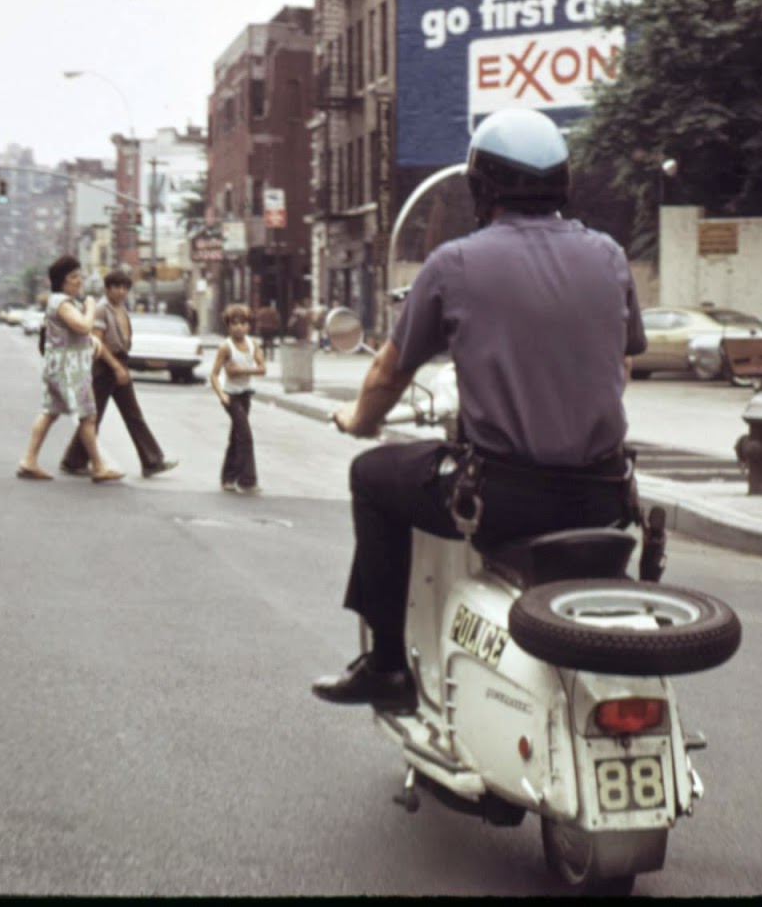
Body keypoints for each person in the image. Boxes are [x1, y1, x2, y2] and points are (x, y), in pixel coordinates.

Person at [312, 106, 647, 711]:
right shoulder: (609, 257)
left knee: (372, 475)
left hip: (503, 500)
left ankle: (387, 664)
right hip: (604, 493)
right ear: (562, 182)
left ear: (481, 187)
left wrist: (358, 421)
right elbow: (620, 367)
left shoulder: (455, 263)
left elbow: (389, 372)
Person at [58, 270, 179, 479]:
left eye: (125, 288)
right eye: (117, 287)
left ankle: (151, 461)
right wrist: (116, 367)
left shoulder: (121, 309)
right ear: (108, 288)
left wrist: (121, 365)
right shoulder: (102, 309)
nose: (121, 292)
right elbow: (98, 342)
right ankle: (73, 460)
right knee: (94, 416)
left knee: (132, 415)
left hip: (119, 362)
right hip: (105, 366)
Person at [16, 255, 125, 483]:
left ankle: (29, 460)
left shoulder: (64, 302)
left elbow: (75, 334)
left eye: (79, 276)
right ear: (61, 281)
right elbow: (83, 326)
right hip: (70, 369)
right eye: (73, 277)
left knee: (50, 411)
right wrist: (92, 307)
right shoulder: (62, 303)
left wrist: (91, 341)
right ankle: (98, 466)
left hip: (62, 366)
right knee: (88, 416)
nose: (79, 281)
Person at [210, 302, 266, 494]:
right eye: (234, 323)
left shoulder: (253, 344)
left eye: (243, 323)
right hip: (231, 396)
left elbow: (262, 369)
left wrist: (238, 370)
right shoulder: (225, 348)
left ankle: (228, 477)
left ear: (248, 325)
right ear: (228, 326)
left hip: (245, 395)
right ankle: (247, 480)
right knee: (246, 436)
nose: (239, 327)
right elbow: (214, 375)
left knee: (236, 437)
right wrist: (221, 394)